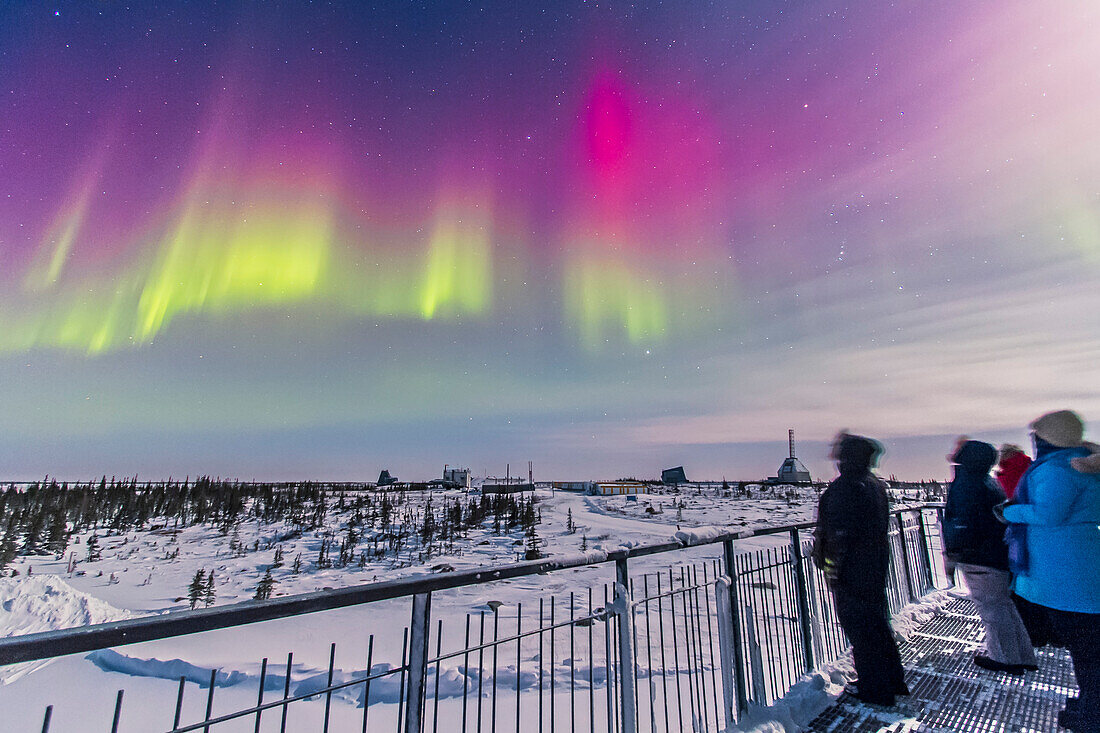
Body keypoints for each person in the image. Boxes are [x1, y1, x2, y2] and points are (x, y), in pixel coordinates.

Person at [1002, 410, 1100, 733]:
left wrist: (1009, 511)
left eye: (1038, 436)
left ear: (1049, 439)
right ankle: (1089, 703)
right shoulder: (1076, 463)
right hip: (1075, 570)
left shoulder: (1058, 468)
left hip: (1069, 575)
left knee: (1086, 651)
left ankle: (1091, 714)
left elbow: (1049, 513)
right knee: (1086, 649)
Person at [813, 433, 908, 706]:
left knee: (862, 631)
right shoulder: (874, 485)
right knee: (878, 625)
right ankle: (891, 679)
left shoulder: (845, 488)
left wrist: (833, 570)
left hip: (853, 572)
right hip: (874, 566)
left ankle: (875, 689)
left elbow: (838, 536)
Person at [943, 439, 1036, 673]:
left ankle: (1004, 658)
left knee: (992, 610)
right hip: (995, 555)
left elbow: (962, 524)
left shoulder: (966, 483)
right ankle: (1022, 655)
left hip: (979, 558)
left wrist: (954, 552)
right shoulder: (988, 482)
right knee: (1004, 606)